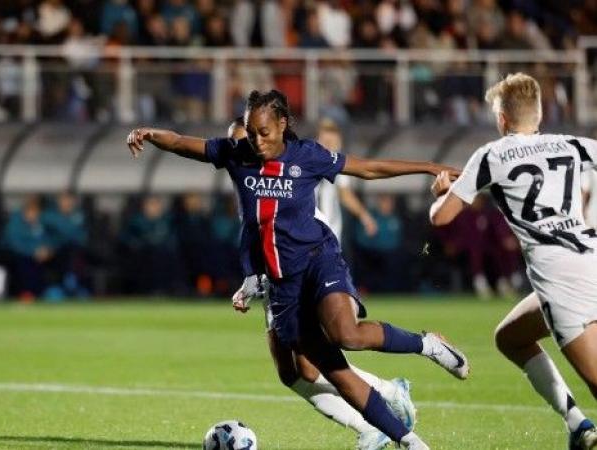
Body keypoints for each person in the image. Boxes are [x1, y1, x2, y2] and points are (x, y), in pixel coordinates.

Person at [127, 89, 469, 450]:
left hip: (319, 259)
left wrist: (430, 168)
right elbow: (182, 143)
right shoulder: (235, 154)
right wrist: (150, 134)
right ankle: (410, 441)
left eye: (264, 132)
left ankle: (427, 345)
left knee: (345, 334)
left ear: (282, 123)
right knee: (327, 373)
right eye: (250, 131)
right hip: (282, 282)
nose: (257, 141)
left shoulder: (307, 155)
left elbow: (367, 168)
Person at [429, 72, 597, 450]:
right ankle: (577, 424)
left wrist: (441, 192)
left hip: (560, 279)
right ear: (539, 115)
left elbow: (441, 217)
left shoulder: (491, 154)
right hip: (591, 259)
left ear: (502, 119)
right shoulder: (571, 143)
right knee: (510, 338)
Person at [227, 117, 410, 450]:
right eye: (236, 142)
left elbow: (303, 223)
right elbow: (254, 234)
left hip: (302, 269)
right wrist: (249, 280)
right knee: (294, 372)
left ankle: (383, 397)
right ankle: (376, 411)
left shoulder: (286, 174)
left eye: (245, 140)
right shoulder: (247, 177)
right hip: (274, 273)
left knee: (314, 360)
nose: (240, 149)